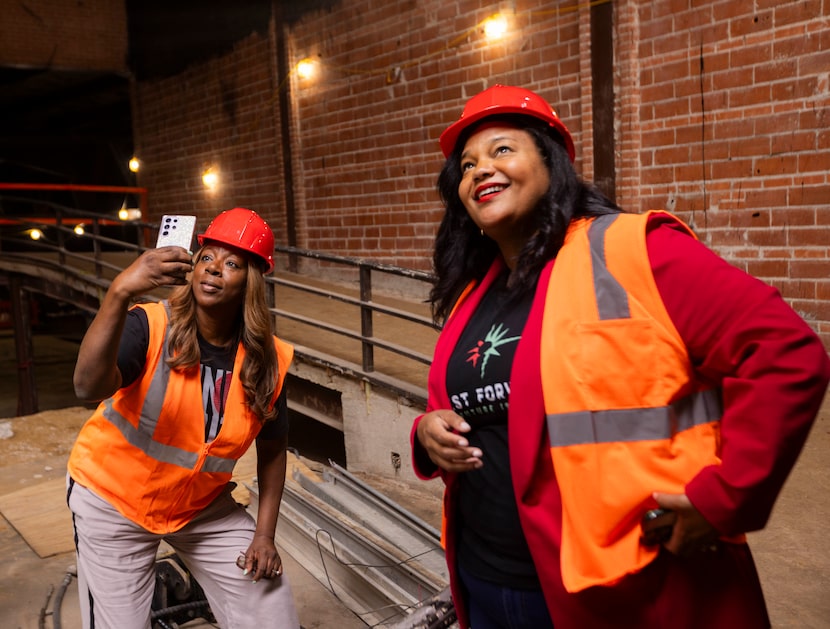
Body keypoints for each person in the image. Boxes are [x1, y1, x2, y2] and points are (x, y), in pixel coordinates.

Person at [410, 84, 830, 629]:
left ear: (551, 161)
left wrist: (723, 498)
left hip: (613, 586)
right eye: (466, 165)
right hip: (485, 579)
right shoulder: (473, 293)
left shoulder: (632, 251)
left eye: (502, 150)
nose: (480, 170)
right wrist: (425, 432)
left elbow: (785, 352)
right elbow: (491, 404)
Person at [66, 207, 300, 629]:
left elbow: (272, 448)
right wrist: (120, 292)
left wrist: (263, 536)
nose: (214, 270)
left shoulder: (268, 359)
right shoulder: (151, 325)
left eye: (232, 264)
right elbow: (86, 386)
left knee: (269, 605)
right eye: (207, 257)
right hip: (114, 501)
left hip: (199, 507)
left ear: (251, 282)